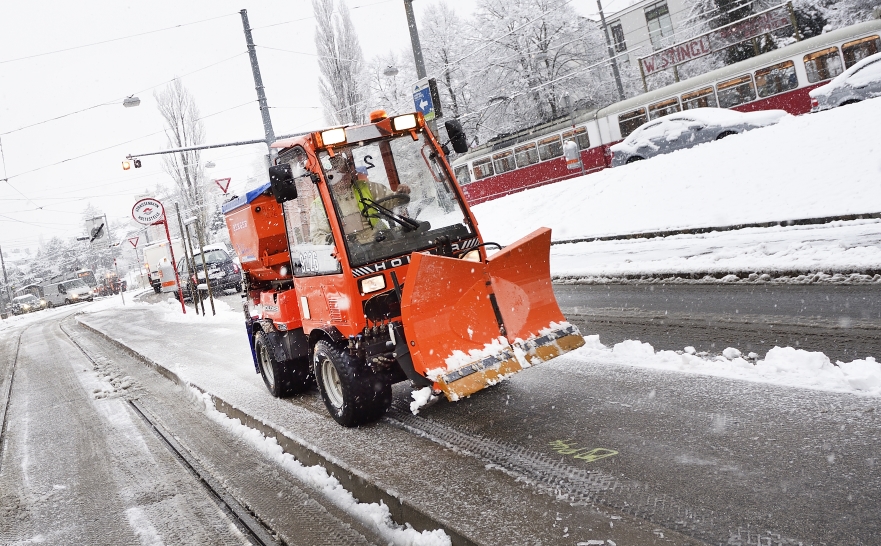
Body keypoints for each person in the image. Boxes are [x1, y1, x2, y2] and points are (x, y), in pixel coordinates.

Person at [310, 156, 409, 245]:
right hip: (351, 253)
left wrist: (400, 195)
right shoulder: (321, 204)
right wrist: (338, 242)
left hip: (382, 241)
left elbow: (393, 203)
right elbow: (318, 237)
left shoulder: (366, 187)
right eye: (339, 173)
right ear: (329, 176)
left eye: (346, 170)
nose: (345, 175)